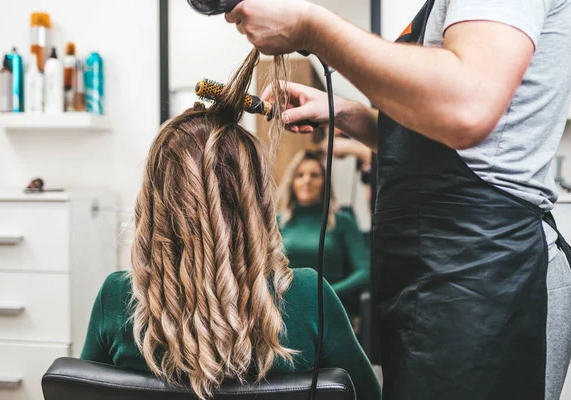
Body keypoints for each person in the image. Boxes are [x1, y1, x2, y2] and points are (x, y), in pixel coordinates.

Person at [224, 1, 571, 399]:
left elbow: (467, 106)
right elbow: (433, 137)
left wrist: (312, 27)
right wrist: (347, 115)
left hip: (493, 274)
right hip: (432, 271)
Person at [79, 49, 381, 400]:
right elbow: (367, 397)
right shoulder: (308, 296)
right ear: (256, 199)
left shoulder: (116, 298)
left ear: (155, 199)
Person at [276, 148, 370, 306]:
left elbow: (366, 271)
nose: (307, 180)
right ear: (292, 182)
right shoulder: (276, 222)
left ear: (325, 182)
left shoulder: (342, 221)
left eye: (314, 175)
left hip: (329, 304)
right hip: (285, 304)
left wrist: (328, 292)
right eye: (300, 175)